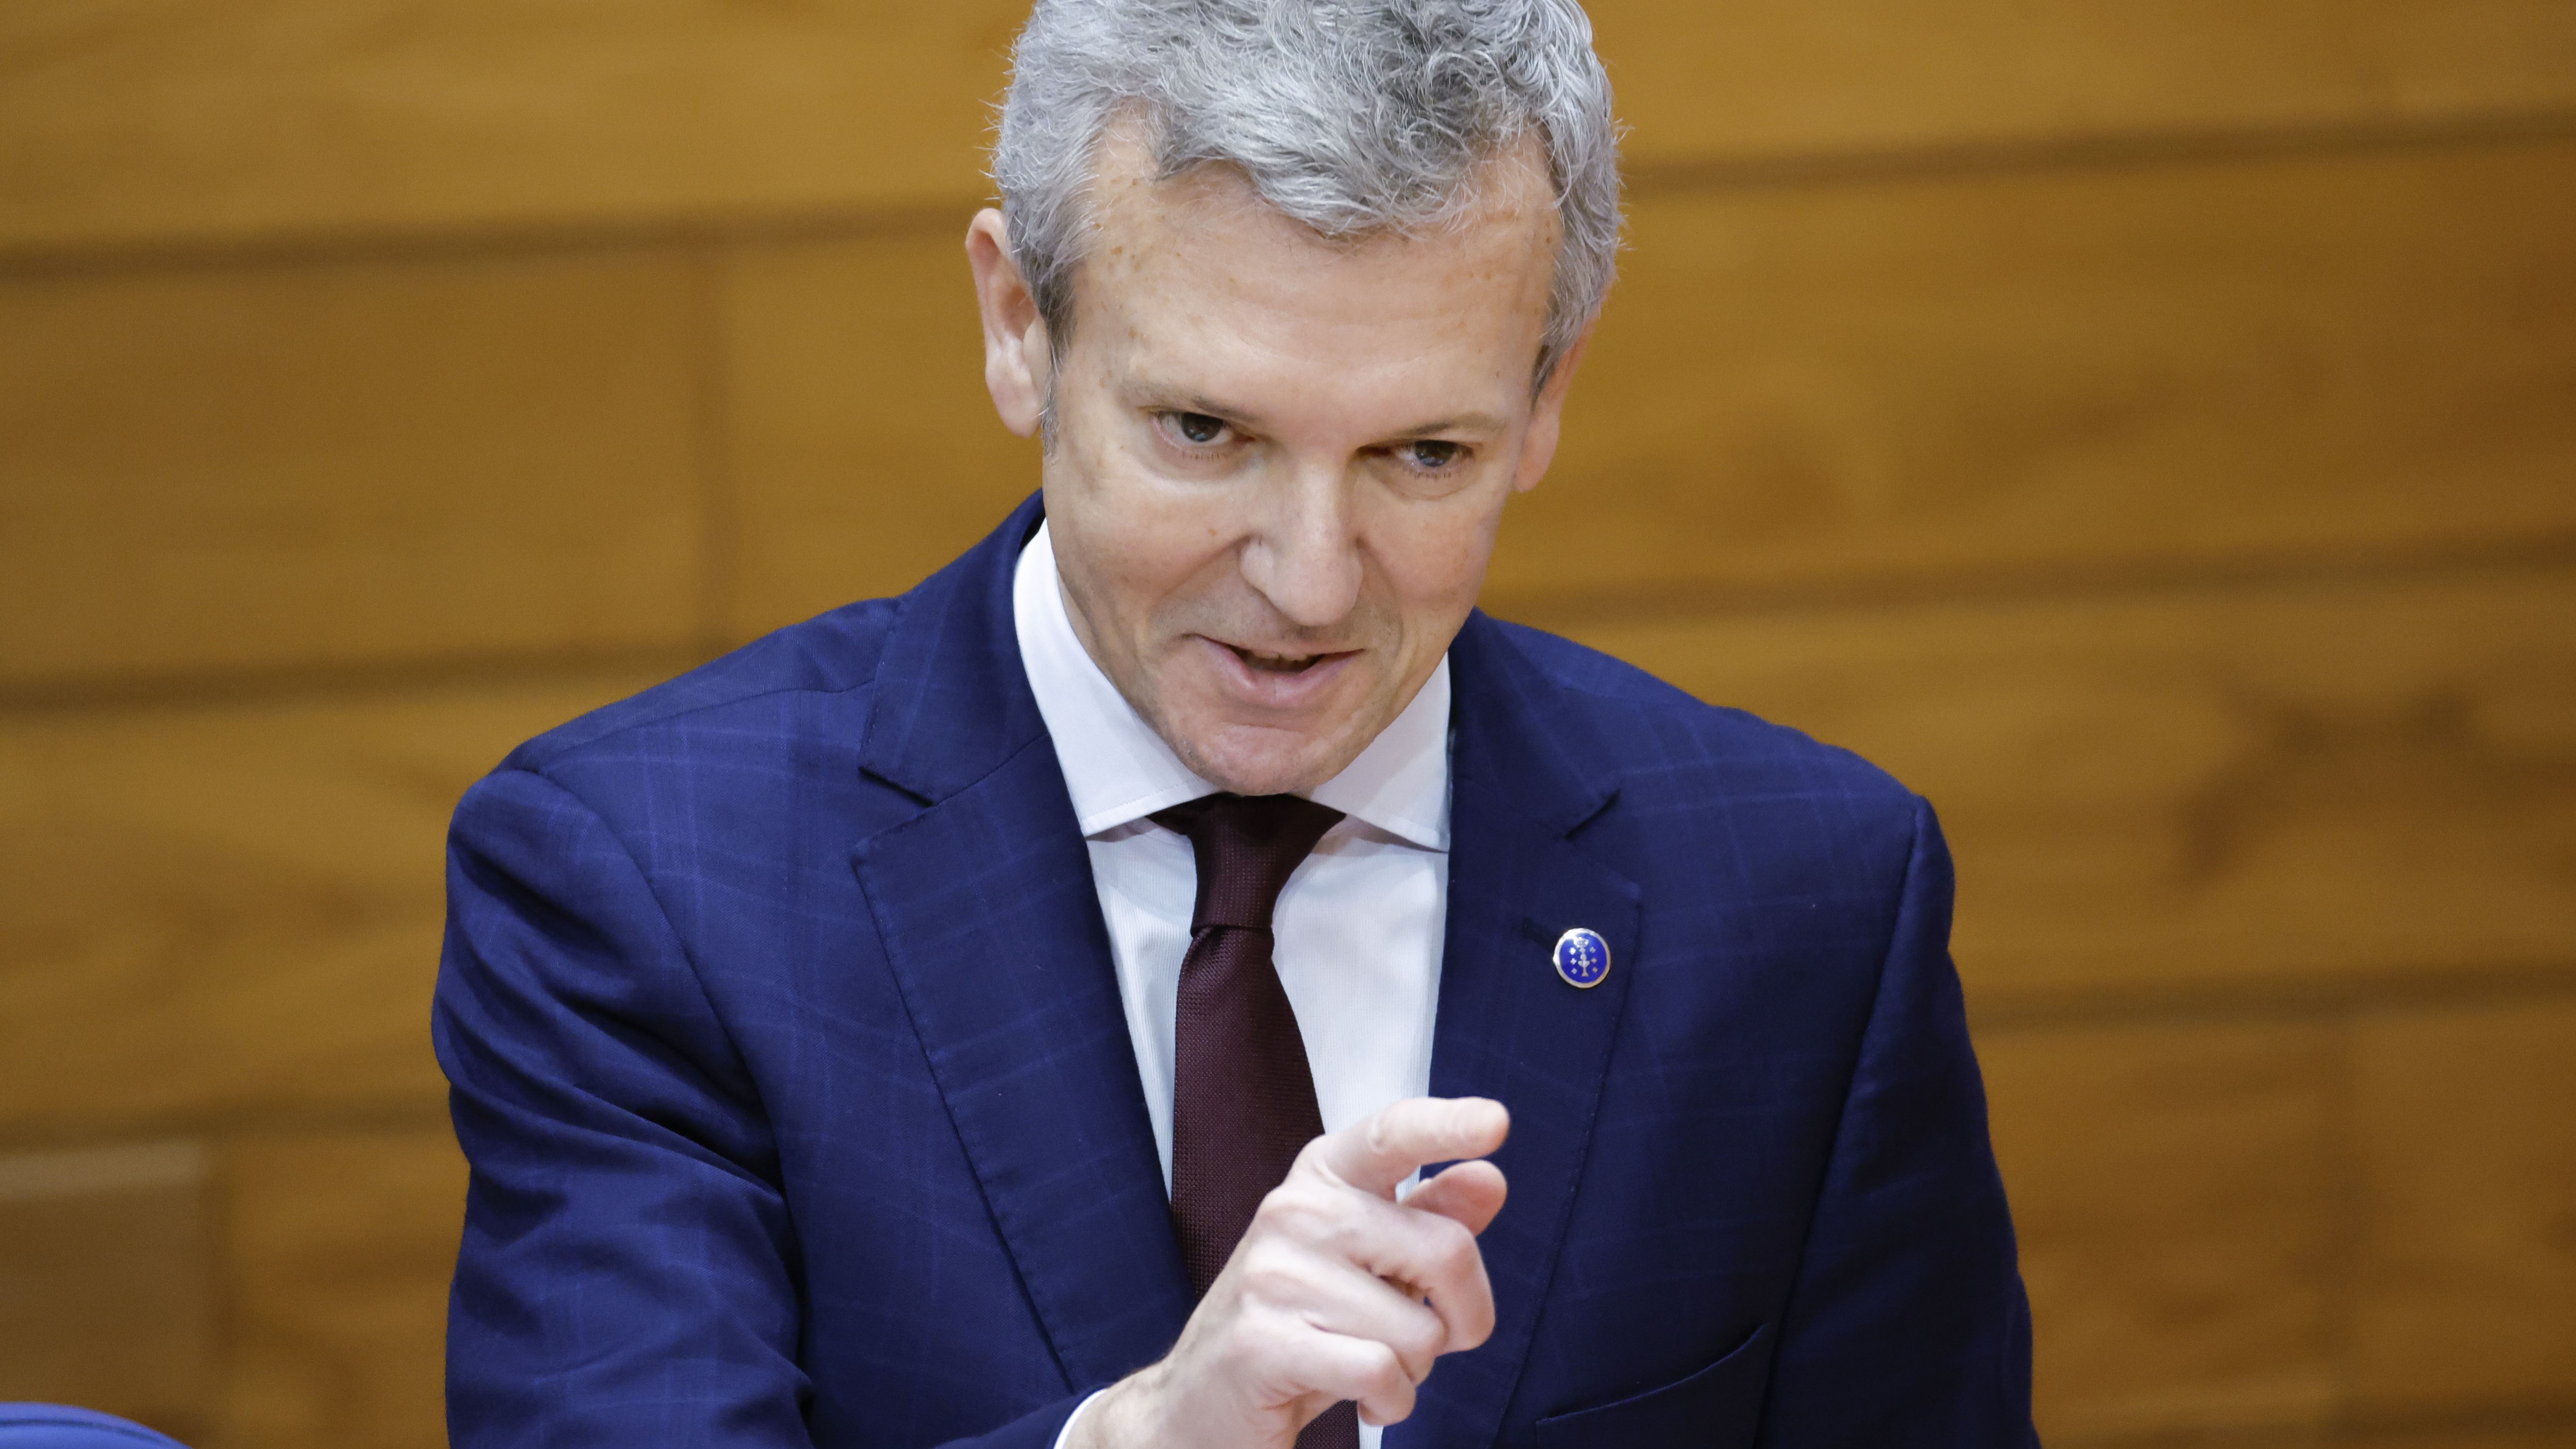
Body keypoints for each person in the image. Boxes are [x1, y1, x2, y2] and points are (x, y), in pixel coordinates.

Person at [433, 1, 2038, 1445]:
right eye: (1205, 430)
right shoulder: (647, 883)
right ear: (1018, 326)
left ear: (1546, 396)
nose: (1310, 579)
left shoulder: (1804, 893)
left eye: (1423, 455)